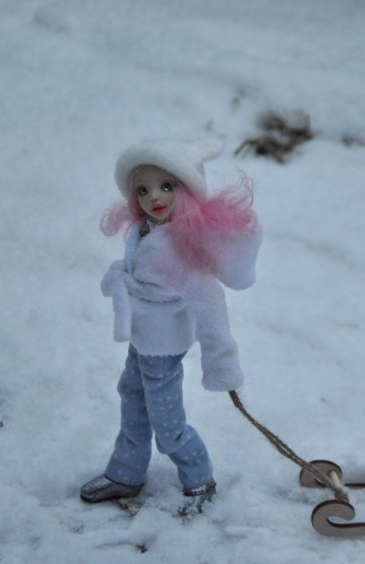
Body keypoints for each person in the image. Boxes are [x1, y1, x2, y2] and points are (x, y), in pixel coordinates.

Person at [80, 138, 262, 517]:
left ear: (188, 190)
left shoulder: (181, 246)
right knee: (132, 399)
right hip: (142, 339)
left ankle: (200, 478)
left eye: (167, 186)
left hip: (162, 347)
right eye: (143, 190)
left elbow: (211, 305)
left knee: (167, 421)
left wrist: (221, 362)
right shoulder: (145, 230)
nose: (154, 198)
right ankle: (126, 473)